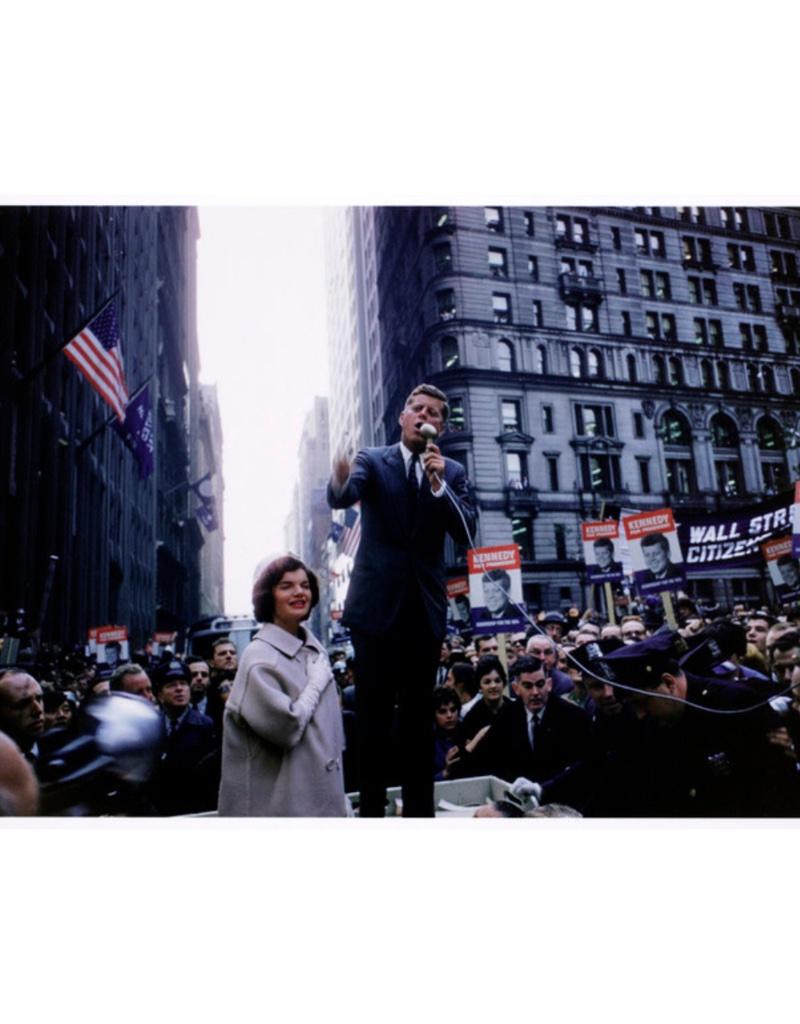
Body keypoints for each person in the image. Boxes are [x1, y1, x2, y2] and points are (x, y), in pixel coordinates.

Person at [327, 382, 476, 817]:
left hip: (423, 615)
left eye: (433, 413)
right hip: (375, 614)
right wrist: (338, 474)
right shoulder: (374, 459)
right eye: (417, 409)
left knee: (417, 726)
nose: (424, 416)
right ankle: (372, 814)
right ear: (403, 417)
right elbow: (344, 493)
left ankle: (419, 817)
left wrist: (437, 486)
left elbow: (467, 533)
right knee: (373, 725)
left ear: (441, 428)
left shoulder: (451, 472)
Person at [218, 555, 347, 817]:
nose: (299, 592)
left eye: (305, 585)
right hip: (279, 809)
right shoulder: (259, 659)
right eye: (286, 586)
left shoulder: (314, 652)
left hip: (322, 804)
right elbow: (286, 728)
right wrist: (315, 684)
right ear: (268, 596)